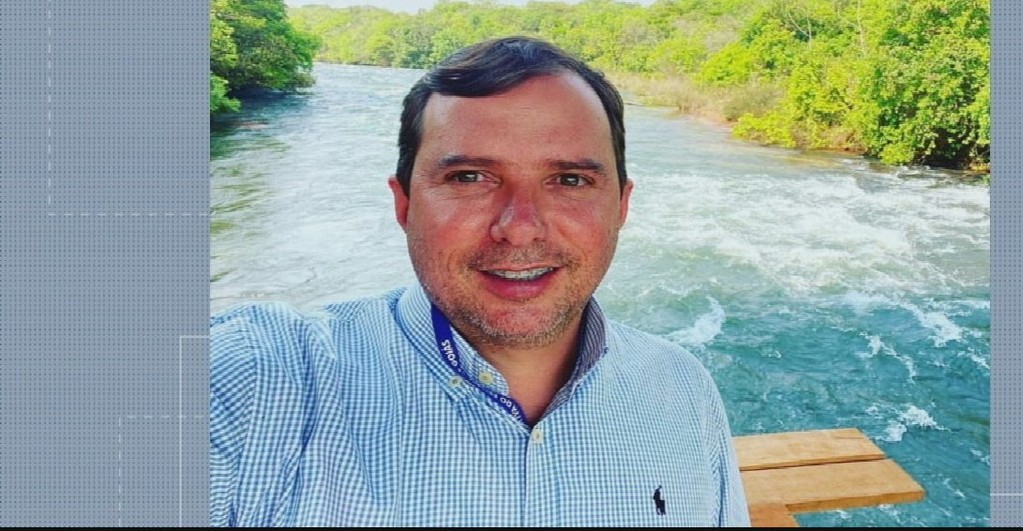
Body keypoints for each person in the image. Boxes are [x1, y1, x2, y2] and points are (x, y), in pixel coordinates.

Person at [210, 35, 751, 527]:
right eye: (470, 178)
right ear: (404, 204)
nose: (519, 229)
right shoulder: (261, 379)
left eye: (569, 180)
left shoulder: (682, 388)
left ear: (621, 207)